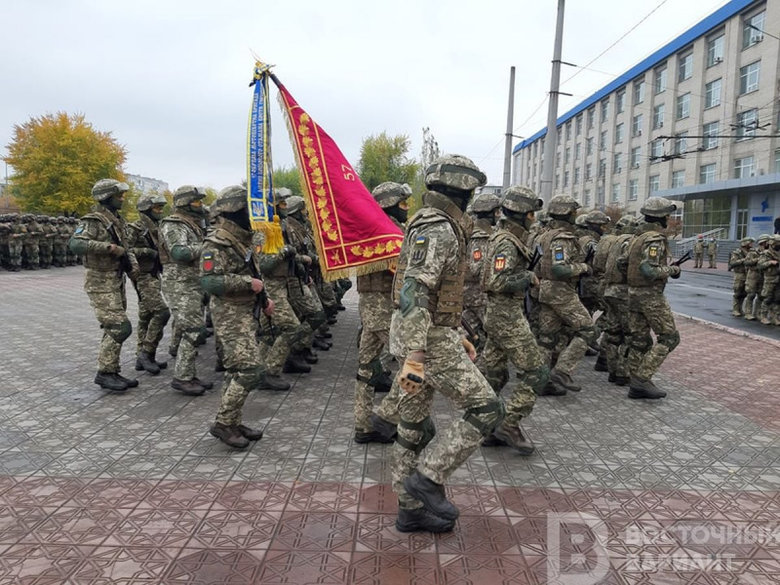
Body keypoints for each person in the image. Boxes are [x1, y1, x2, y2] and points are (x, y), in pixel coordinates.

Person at [389, 154, 504, 533]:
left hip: (423, 340)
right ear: (465, 190)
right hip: (425, 345)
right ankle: (428, 478)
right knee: (487, 409)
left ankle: (409, 510)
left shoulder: (430, 223)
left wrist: (457, 335)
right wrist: (418, 354)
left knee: (412, 428)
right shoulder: (439, 227)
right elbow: (415, 289)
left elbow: (433, 293)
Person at [200, 185, 286, 449]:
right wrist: (246, 283)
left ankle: (234, 421)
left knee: (235, 369)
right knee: (251, 370)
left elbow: (255, 272)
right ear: (234, 210)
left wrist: (265, 298)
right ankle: (224, 423)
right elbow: (209, 281)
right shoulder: (216, 242)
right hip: (229, 312)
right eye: (247, 209)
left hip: (246, 309)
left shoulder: (242, 239)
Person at [479, 186, 548, 454]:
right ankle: (509, 423)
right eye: (531, 213)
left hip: (499, 315)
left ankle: (490, 428)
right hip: (506, 315)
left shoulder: (505, 237)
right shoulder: (507, 241)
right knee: (536, 372)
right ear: (522, 214)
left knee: (494, 374)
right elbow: (497, 280)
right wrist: (528, 278)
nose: (533, 218)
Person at [353, 181, 411, 445]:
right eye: (402, 203)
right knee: (411, 365)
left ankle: (364, 425)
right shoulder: (383, 230)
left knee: (366, 369)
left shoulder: (371, 228)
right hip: (382, 308)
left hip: (372, 307)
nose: (406, 208)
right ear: (388, 204)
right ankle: (385, 420)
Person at [69, 179, 140, 392]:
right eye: (119, 195)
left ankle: (110, 370)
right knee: (120, 327)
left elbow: (126, 249)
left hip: (116, 279)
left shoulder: (117, 220)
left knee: (113, 327)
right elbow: (76, 244)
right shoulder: (93, 220)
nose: (122, 198)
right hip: (100, 281)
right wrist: (108, 247)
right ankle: (104, 373)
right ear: (106, 196)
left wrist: (134, 268)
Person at [535, 195, 595, 394]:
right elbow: (560, 269)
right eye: (574, 212)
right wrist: (584, 267)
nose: (576, 215)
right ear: (567, 213)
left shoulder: (545, 235)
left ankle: (542, 381)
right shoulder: (562, 238)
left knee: (547, 338)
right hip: (560, 291)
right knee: (588, 330)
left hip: (546, 290)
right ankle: (562, 370)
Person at [622, 197, 681, 399]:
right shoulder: (653, 239)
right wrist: (672, 269)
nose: (669, 218)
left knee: (639, 339)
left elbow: (623, 264)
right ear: (660, 217)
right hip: (650, 296)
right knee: (670, 337)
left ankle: (636, 384)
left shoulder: (635, 238)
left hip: (633, 293)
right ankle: (641, 378)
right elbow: (648, 269)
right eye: (667, 215)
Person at [160, 185, 212, 396]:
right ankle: (182, 377)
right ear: (184, 203)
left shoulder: (193, 224)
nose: (201, 206)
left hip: (193, 282)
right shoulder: (173, 224)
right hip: (179, 284)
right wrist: (209, 246)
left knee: (192, 329)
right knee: (193, 330)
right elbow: (179, 252)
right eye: (196, 202)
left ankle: (188, 373)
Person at [127, 193, 171, 375]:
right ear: (146, 210)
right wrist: (145, 251)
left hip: (154, 274)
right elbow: (126, 249)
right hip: (143, 276)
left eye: (161, 208)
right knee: (161, 312)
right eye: (156, 208)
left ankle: (142, 357)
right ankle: (147, 352)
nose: (160, 211)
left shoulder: (158, 227)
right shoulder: (136, 228)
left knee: (146, 316)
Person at [597, 214, 639, 385]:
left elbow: (599, 262)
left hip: (609, 289)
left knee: (612, 332)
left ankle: (610, 368)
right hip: (623, 291)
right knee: (629, 334)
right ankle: (623, 373)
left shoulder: (610, 240)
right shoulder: (630, 241)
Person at [462, 191, 501, 354]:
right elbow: (477, 267)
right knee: (498, 334)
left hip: (472, 294)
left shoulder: (475, 232)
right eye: (496, 212)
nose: (499, 215)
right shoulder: (481, 237)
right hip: (479, 294)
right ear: (490, 212)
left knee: (466, 330)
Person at [743, 234, 770, 320]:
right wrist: (757, 260)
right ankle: (748, 313)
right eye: (767, 242)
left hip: (762, 276)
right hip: (753, 275)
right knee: (751, 295)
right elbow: (746, 263)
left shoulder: (768, 253)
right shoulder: (753, 252)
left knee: (761, 295)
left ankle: (757, 313)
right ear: (763, 242)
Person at [728, 237, 754, 318]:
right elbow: (732, 263)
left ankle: (740, 309)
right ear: (745, 243)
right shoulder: (737, 252)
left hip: (748, 274)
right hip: (739, 274)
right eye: (750, 242)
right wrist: (743, 260)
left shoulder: (751, 252)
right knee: (738, 292)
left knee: (744, 293)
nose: (751, 244)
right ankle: (735, 309)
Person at [757, 235, 780, 325]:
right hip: (770, 278)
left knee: (777, 299)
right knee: (767, 298)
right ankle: (763, 316)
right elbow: (760, 265)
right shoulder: (766, 253)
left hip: (779, 278)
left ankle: (775, 317)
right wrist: (770, 262)